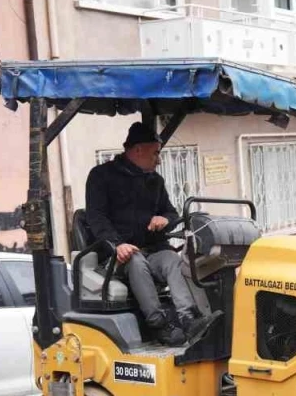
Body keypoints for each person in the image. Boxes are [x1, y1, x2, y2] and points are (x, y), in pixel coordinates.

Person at [85, 122, 218, 346]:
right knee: (135, 260)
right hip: (114, 255)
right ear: (138, 150)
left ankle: (188, 319)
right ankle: (158, 324)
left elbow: (171, 212)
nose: (159, 160)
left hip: (152, 251)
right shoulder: (101, 176)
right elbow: (96, 217)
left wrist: (165, 219)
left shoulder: (155, 181)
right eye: (156, 153)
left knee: (172, 259)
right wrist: (117, 245)